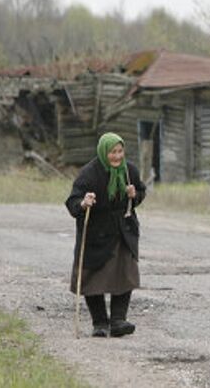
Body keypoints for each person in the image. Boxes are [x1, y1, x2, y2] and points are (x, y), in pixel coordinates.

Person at [65, 132, 146, 337]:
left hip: (122, 231)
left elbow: (141, 192)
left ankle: (118, 320)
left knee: (125, 273)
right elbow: (72, 202)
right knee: (93, 278)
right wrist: (84, 202)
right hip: (96, 233)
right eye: (113, 152)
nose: (117, 157)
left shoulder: (130, 171)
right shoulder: (89, 174)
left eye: (120, 151)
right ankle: (100, 323)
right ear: (103, 152)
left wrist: (134, 195)